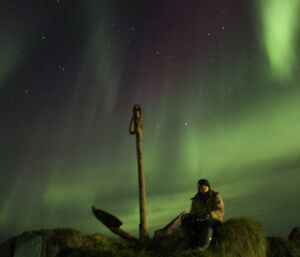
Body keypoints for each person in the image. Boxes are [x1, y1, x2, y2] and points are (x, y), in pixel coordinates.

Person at [181, 179, 224, 250]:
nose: (203, 187)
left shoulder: (215, 196)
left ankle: (204, 247)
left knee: (208, 223)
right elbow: (193, 213)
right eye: (201, 186)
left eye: (205, 185)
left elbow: (220, 211)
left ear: (208, 186)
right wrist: (189, 216)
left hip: (214, 220)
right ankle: (191, 245)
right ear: (198, 188)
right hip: (200, 221)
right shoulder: (196, 200)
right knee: (185, 221)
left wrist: (210, 215)